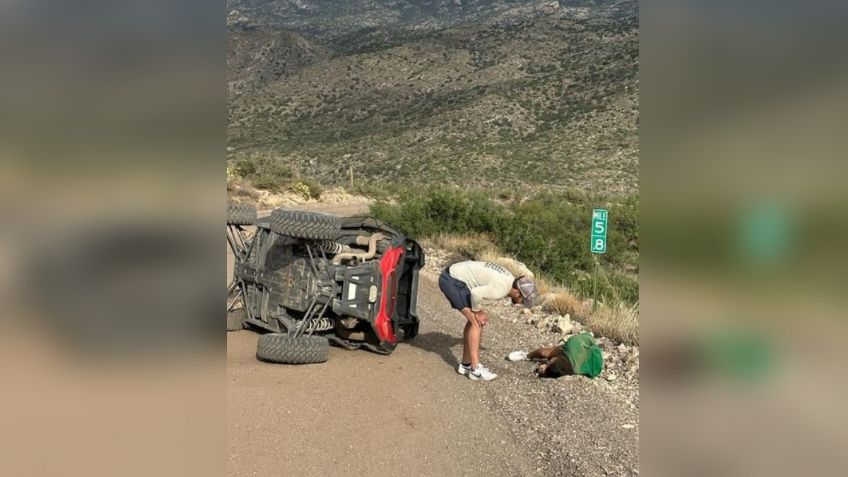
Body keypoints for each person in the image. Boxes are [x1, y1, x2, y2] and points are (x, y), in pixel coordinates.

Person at [438, 260, 538, 381]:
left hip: (453, 275)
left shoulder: (509, 279)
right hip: (451, 280)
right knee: (477, 322)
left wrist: (477, 311)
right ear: (517, 292)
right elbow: (475, 293)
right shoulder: (502, 288)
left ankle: (465, 365)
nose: (521, 303)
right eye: (522, 300)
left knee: (473, 320)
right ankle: (475, 369)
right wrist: (478, 311)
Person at [508, 332, 604, 379]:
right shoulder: (571, 365)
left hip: (595, 359)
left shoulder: (572, 346)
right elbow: (587, 336)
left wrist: (529, 356)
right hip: (596, 365)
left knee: (550, 351)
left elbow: (541, 352)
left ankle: (524, 355)